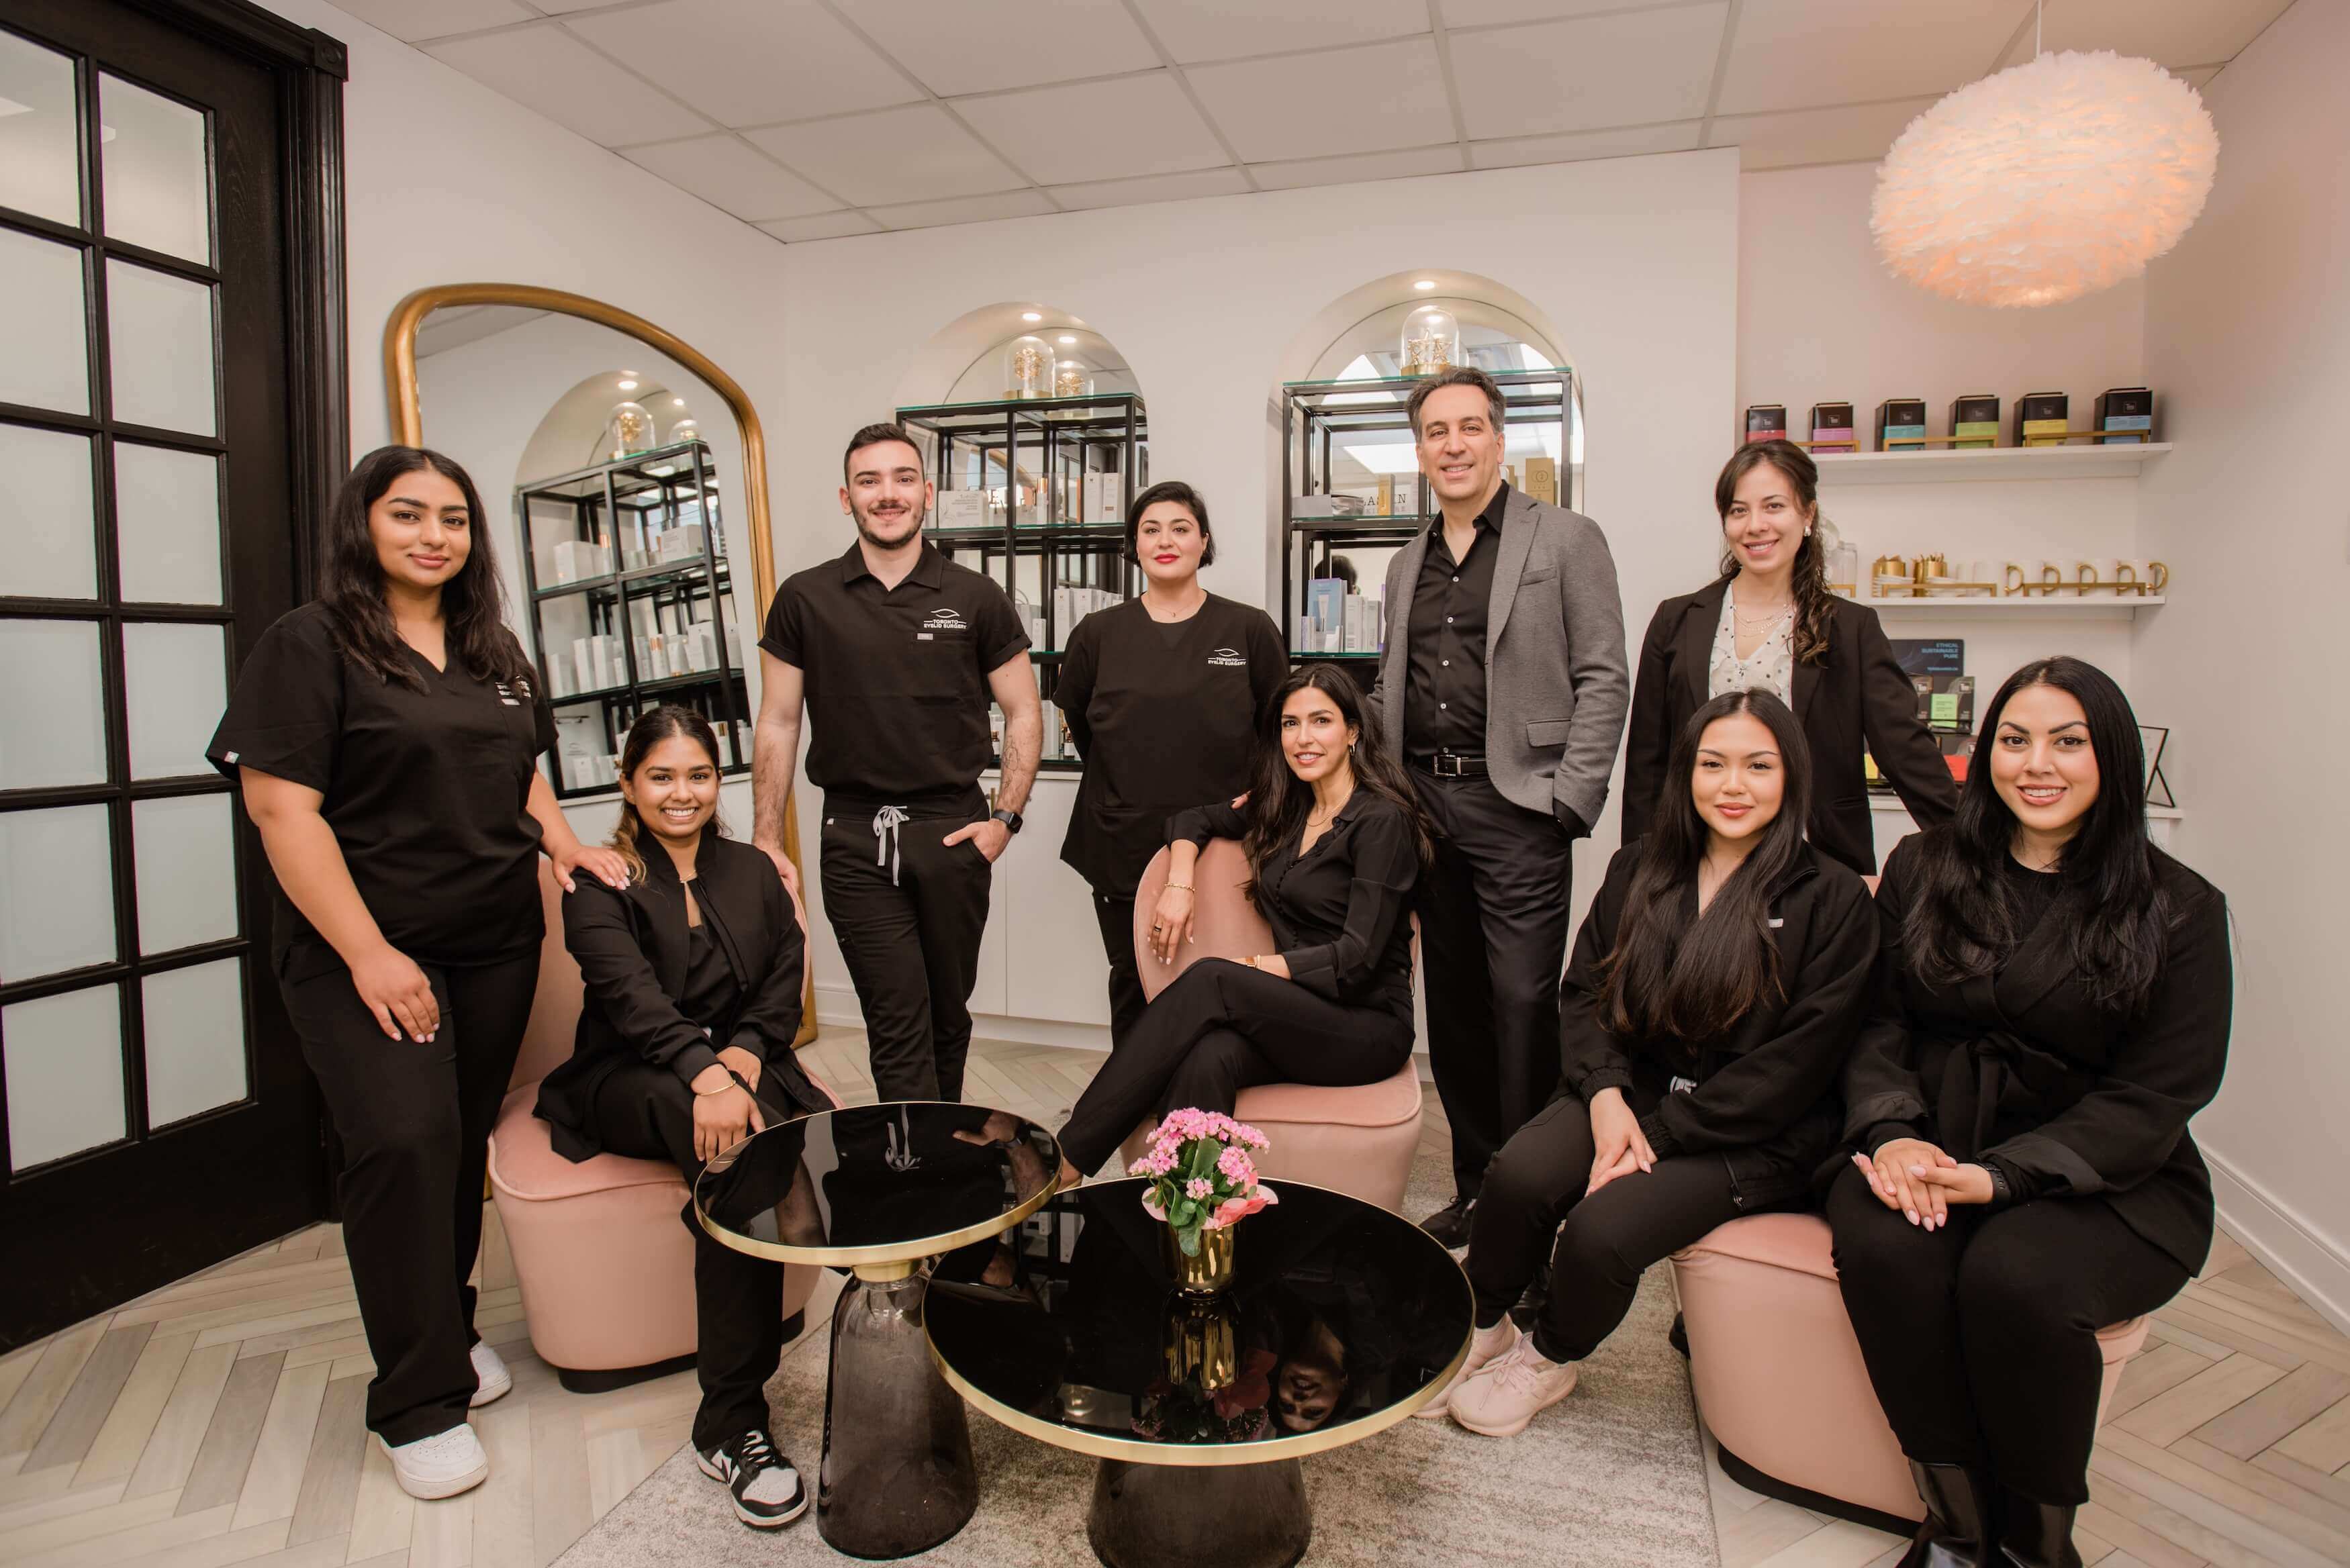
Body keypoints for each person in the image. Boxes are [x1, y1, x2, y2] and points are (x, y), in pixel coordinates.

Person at [207, 446, 630, 1500]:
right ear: (364, 524)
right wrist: (367, 952)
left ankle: (441, 1327)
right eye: (409, 515)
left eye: (452, 518)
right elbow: (278, 808)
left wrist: (564, 846)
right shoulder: (309, 646)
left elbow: (516, 769)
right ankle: (416, 1402)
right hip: (363, 951)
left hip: (494, 942)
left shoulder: (493, 650)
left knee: (450, 1147)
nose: (434, 535)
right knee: (399, 1142)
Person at [1829, 657, 2230, 1568]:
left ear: (2112, 758)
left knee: (2017, 1275)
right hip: (1932, 1137)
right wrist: (1893, 1135)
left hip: (2104, 1173)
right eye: (2014, 740)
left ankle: (2035, 1550)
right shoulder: (1924, 866)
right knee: (1886, 1245)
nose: (2034, 763)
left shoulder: (2180, 908)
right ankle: (1960, 1532)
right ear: (1986, 754)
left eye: (2067, 741)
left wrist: (2002, 1177)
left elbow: (2158, 1094)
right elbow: (1877, 1021)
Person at [1428, 690, 1877, 1438]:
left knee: (1601, 1231)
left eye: (1757, 766)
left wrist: (1656, 1136)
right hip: (1631, 1092)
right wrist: (1605, 1096)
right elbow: (1584, 996)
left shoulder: (1831, 898)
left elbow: (1795, 1065)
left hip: (1751, 1130)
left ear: (1791, 777)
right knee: (1518, 1174)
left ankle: (1549, 1355)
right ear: (1686, 774)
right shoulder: (1641, 866)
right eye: (1712, 764)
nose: (1732, 785)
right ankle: (1485, 1321)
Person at [534, 705, 828, 1530]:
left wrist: (740, 1056)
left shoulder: (753, 867)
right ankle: (730, 1423)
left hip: (736, 1063)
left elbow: (783, 974)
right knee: (741, 1144)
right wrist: (704, 1074)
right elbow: (629, 1000)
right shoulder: (599, 879)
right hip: (630, 1073)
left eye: (698, 774)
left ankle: (732, 1221)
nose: (682, 792)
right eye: (660, 776)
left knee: (757, 1152)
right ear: (627, 783)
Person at [1369, 365, 1630, 1247]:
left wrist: (1569, 800)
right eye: (1436, 432)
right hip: (1424, 807)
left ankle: (1532, 1194)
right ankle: (1477, 1184)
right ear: (1419, 450)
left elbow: (1604, 672)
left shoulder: (1565, 538)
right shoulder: (1407, 564)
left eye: (1469, 427)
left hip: (1518, 806)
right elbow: (1389, 688)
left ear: (1499, 439)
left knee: (1522, 1004)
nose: (1453, 445)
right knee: (1456, 1009)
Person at [752, 422, 1041, 1102]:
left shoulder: (975, 597)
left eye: (902, 478)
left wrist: (1004, 818)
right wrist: (766, 837)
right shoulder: (804, 597)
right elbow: (778, 719)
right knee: (896, 1019)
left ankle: (939, 1158)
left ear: (928, 492)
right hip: (854, 835)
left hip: (953, 829)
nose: (888, 494)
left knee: (947, 1013)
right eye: (869, 480)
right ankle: (912, 1174)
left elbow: (1024, 711)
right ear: (845, 497)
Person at [1052, 665, 1431, 1182]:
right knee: (1210, 1056)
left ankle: (1068, 1158)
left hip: (1366, 1027)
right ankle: (1193, 1221)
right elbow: (1191, 820)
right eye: (1289, 723)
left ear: (1353, 731)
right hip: (1301, 1015)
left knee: (1215, 978)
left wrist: (1252, 968)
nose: (1302, 738)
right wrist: (1181, 882)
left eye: (1320, 721)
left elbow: (1357, 959)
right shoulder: (1288, 808)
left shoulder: (1381, 821)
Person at [1624, 439, 1954, 877]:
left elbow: (1905, 751)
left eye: (1774, 506)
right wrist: (1639, 870)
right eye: (1739, 511)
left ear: (1808, 515)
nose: (1755, 525)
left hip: (1814, 864)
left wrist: (1978, 842)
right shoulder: (1676, 620)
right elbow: (1648, 763)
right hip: (1695, 860)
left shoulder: (1851, 629)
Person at [1055, 480, 1286, 1045]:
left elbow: (1279, 731)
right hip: (1121, 839)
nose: (1166, 541)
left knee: (1222, 978)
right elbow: (1085, 730)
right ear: (1133, 545)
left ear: (1203, 541)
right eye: (1150, 529)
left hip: (1227, 841)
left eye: (1181, 528)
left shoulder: (1248, 630)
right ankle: (1140, 1124)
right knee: (1135, 980)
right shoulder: (1097, 635)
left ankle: (1207, 1119)